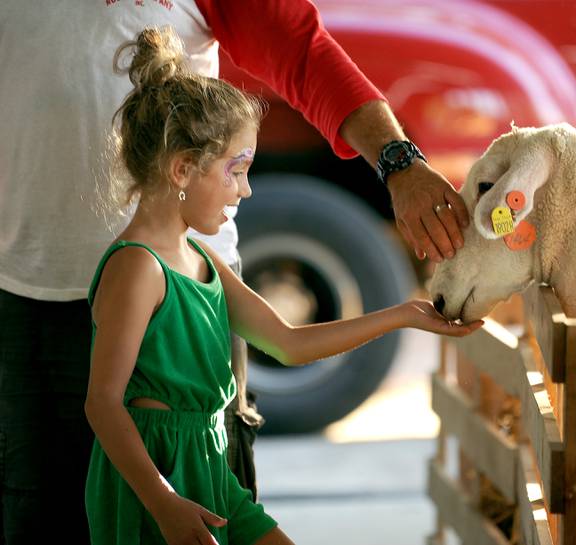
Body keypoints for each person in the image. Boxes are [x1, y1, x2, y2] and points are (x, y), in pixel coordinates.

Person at [0, 2, 468, 543]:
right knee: (40, 518)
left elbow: (288, 343)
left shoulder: (203, 268)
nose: (247, 190)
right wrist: (164, 500)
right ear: (181, 169)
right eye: (238, 171)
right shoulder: (137, 268)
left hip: (202, 431)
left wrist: (407, 309)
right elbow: (104, 406)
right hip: (27, 290)